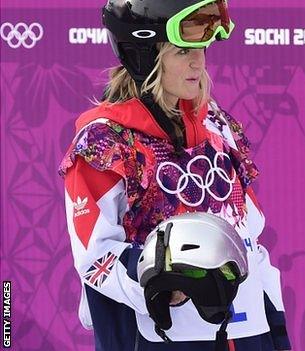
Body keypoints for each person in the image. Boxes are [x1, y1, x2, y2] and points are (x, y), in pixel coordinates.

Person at [58, 1, 291, 350]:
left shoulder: (218, 128)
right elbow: (95, 258)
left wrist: (275, 334)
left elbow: (250, 242)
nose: (199, 61)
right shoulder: (105, 142)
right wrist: (161, 276)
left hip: (245, 334)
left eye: (201, 47)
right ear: (145, 55)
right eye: (182, 51)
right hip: (159, 337)